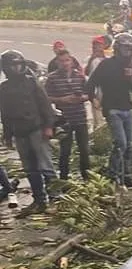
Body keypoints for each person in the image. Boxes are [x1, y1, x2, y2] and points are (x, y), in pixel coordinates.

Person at [0, 50, 57, 216]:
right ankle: (39, 200)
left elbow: (45, 105)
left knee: (45, 165)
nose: (16, 68)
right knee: (30, 169)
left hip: (36, 129)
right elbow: (5, 114)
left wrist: (48, 126)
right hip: (19, 132)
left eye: (19, 64)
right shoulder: (3, 88)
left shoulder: (31, 83)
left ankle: (55, 198)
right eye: (13, 65)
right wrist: (8, 135)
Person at [86, 33, 132, 188]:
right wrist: (94, 99)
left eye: (130, 49)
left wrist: (131, 78)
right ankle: (113, 173)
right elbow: (90, 83)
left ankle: (126, 175)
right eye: (125, 48)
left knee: (129, 143)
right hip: (112, 109)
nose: (127, 52)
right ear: (117, 48)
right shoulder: (106, 65)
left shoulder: (130, 66)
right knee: (120, 143)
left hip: (127, 107)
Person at [45, 49, 90, 181]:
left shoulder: (80, 76)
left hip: (80, 118)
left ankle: (87, 177)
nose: (65, 63)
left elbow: (89, 94)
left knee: (84, 150)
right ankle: (63, 179)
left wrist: (81, 97)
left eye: (67, 60)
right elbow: (46, 98)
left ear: (71, 61)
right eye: (62, 61)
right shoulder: (52, 78)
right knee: (65, 151)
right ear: (57, 62)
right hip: (64, 120)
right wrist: (62, 100)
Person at [85, 36, 107, 130]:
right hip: (96, 96)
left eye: (98, 44)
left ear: (103, 46)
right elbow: (87, 78)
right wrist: (93, 98)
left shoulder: (107, 60)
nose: (96, 47)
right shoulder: (90, 60)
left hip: (107, 96)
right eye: (94, 45)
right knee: (99, 125)